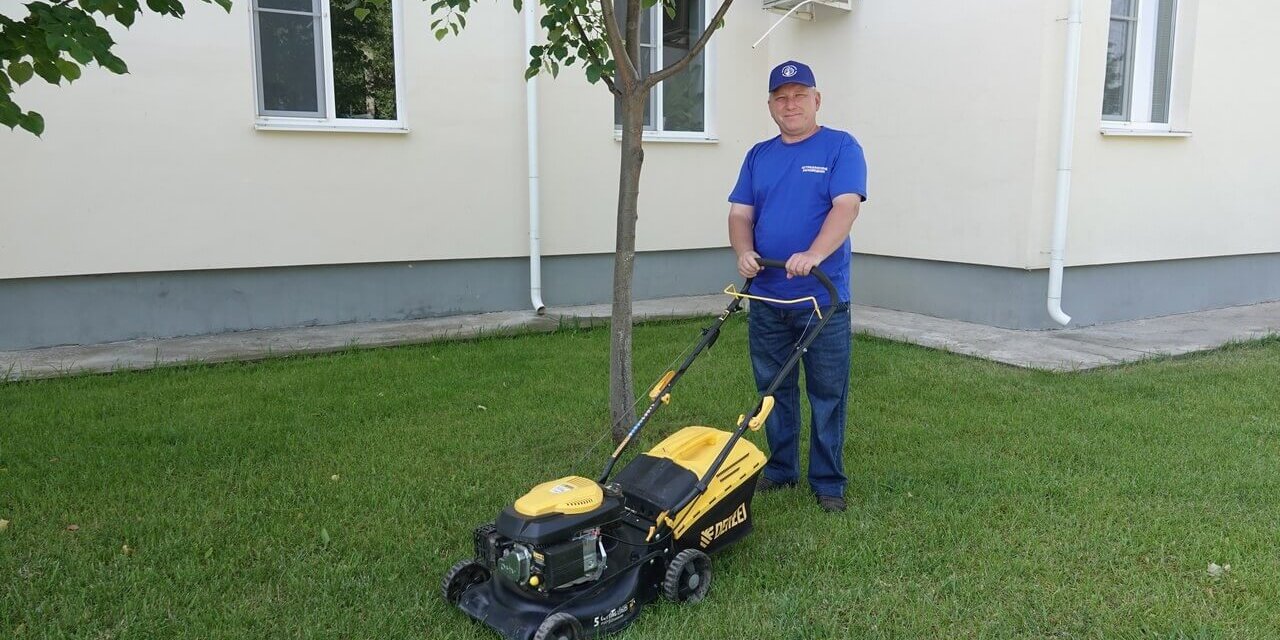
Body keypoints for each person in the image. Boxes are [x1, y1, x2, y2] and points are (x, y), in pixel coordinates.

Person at [727, 60, 868, 513]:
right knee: (773, 391)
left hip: (821, 299)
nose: (790, 105)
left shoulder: (841, 147)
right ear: (770, 105)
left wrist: (814, 254)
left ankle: (828, 481)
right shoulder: (758, 156)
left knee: (827, 394)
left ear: (816, 100)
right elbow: (740, 214)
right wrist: (743, 250)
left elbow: (846, 207)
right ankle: (781, 469)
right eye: (781, 98)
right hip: (766, 297)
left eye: (799, 96)